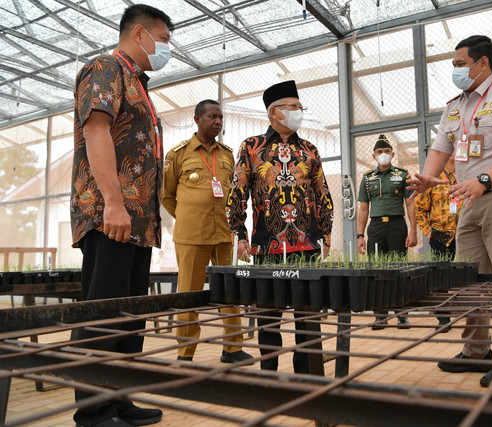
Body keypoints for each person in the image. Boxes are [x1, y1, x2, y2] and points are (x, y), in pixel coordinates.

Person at [407, 35, 492, 389]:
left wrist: (485, 179)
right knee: (466, 277)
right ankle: (476, 350)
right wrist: (426, 177)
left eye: (460, 64)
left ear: (483, 63)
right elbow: (441, 148)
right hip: (469, 198)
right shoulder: (454, 106)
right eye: (454, 65)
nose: (455, 71)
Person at [69, 4, 172, 426]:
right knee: (102, 314)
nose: (167, 48)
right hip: (109, 215)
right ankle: (93, 412)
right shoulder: (106, 67)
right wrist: (113, 201)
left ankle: (120, 400)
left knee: (129, 315)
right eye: (164, 40)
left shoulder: (138, 84)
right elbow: (95, 131)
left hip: (137, 223)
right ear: (140, 34)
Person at [226, 80, 333, 374]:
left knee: (308, 318)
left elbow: (322, 194)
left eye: (300, 107)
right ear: (275, 112)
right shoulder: (252, 147)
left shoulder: (310, 150)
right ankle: (269, 379)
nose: (299, 112)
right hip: (266, 244)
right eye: (294, 107)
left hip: (307, 246)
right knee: (269, 318)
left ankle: (309, 378)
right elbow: (238, 193)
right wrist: (240, 235)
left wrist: (326, 234)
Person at [162, 99, 252, 364]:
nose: (218, 122)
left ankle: (233, 348)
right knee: (188, 294)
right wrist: (189, 217)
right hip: (191, 236)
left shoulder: (226, 154)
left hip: (224, 234)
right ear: (197, 119)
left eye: (221, 118)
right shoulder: (177, 154)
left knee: (230, 291)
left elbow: (234, 192)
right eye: (212, 117)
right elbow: (166, 195)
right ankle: (185, 352)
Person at [356, 134, 418, 329]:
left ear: (392, 154)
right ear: (374, 156)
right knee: (377, 271)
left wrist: (413, 231)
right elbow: (363, 209)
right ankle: (380, 316)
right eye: (379, 152)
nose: (383, 154)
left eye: (386, 151)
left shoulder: (403, 174)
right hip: (375, 228)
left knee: (399, 270)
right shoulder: (367, 179)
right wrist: (360, 236)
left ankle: (402, 315)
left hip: (397, 226)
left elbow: (410, 205)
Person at [415, 153, 461, 330]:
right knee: (442, 276)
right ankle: (443, 319)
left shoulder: (467, 175)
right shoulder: (434, 179)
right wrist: (428, 232)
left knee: (468, 275)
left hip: (466, 233)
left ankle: (472, 314)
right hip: (440, 234)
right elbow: (419, 209)